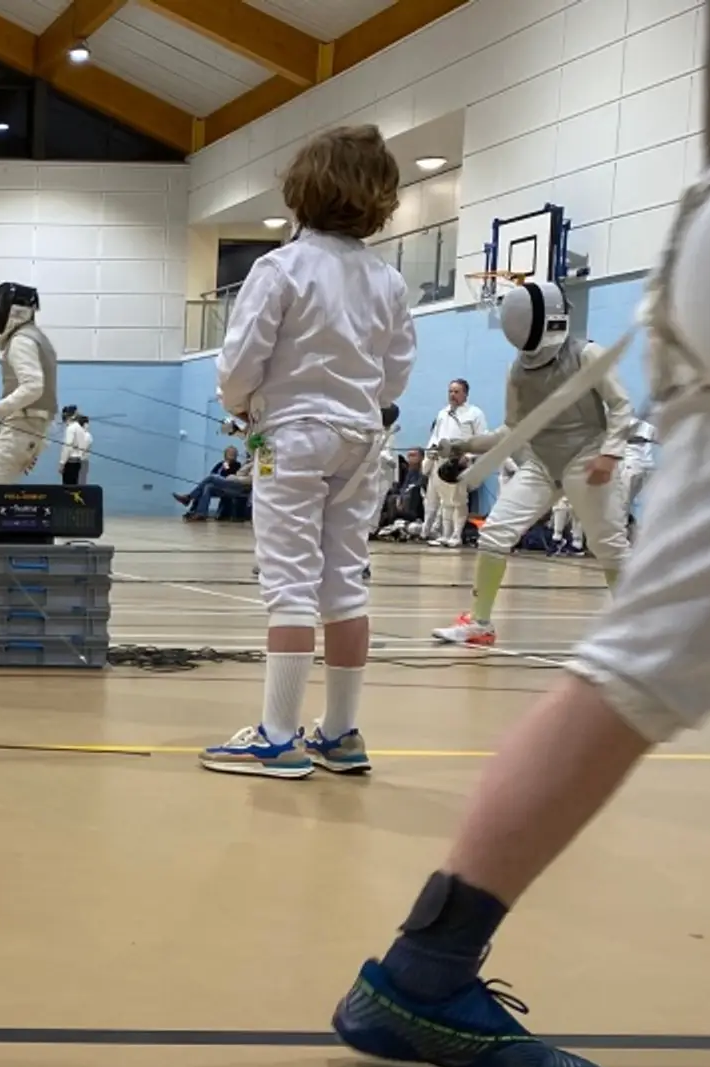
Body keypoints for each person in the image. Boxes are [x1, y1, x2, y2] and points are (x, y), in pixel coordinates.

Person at [330, 2, 710, 1067]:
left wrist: (616, 454)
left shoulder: (589, 346)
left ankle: (423, 969)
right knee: (610, 613)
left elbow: (615, 416)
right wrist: (469, 466)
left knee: (648, 654)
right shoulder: (523, 370)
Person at [200, 124, 415, 779]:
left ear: (304, 189)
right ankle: (341, 734)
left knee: (290, 583)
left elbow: (241, 361)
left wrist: (238, 401)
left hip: (292, 437)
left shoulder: (281, 267)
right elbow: (397, 371)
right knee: (344, 583)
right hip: (361, 441)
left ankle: (276, 737)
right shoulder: (387, 280)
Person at [429, 280, 634, 647]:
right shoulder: (518, 371)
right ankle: (481, 624)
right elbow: (511, 428)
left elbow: (621, 406)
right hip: (541, 463)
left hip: (586, 458)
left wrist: (610, 452)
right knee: (494, 534)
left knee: (609, 546)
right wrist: (459, 445)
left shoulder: (586, 355)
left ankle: (639, 632)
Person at [0, 283, 58, 484]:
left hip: (22, 428)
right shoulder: (37, 338)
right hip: (27, 427)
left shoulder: (22, 340)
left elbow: (33, 387)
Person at [425, 378, 488, 535]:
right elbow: (436, 436)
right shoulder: (442, 413)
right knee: (444, 501)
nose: (452, 395)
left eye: (456, 391)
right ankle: (445, 535)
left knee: (458, 501)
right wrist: (431, 451)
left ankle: (456, 535)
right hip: (441, 462)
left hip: (460, 463)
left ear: (465, 394)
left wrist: (469, 456)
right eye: (450, 391)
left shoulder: (475, 413)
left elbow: (482, 439)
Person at [425, 453, 471, 547]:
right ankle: (446, 535)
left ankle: (456, 536)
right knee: (446, 504)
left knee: (459, 504)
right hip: (441, 472)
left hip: (459, 471)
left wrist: (467, 457)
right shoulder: (437, 438)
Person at [60, 411, 93, 486]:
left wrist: (62, 463)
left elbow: (68, 446)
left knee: (72, 484)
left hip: (75, 461)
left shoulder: (73, 430)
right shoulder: (83, 433)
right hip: (79, 461)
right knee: (78, 484)